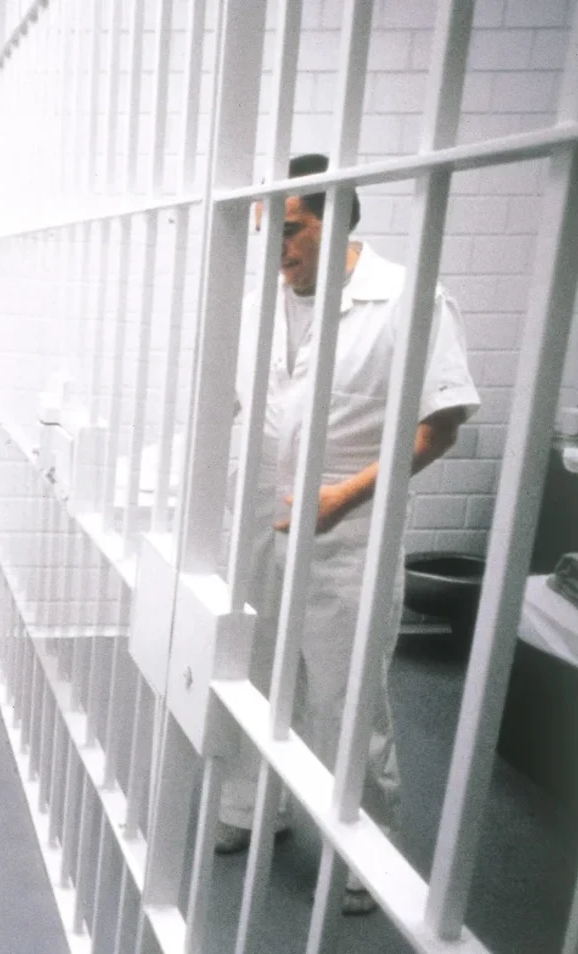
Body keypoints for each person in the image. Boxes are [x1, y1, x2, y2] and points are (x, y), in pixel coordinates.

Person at [217, 154, 481, 915]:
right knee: (255, 673)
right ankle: (250, 806)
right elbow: (239, 407)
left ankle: (369, 850)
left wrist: (343, 497)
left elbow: (438, 428)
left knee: (346, 694)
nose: (276, 249)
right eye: (268, 233)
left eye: (290, 230)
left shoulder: (408, 299)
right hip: (258, 519)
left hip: (349, 533)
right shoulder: (261, 304)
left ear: (337, 222)